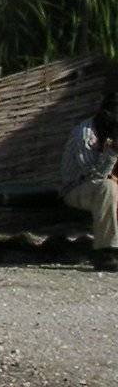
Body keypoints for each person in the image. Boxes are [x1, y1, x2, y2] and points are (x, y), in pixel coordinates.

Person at [60, 92, 118, 271]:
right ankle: (106, 251)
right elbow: (94, 177)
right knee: (107, 187)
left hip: (105, 185)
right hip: (76, 188)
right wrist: (113, 151)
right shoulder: (84, 135)